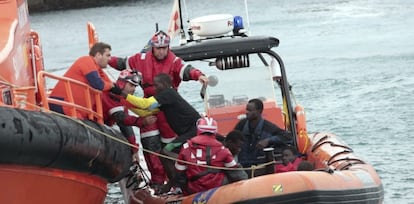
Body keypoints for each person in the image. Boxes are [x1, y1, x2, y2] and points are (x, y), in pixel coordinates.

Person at [108, 30, 208, 144]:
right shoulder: (140, 59)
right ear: (152, 47)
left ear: (168, 47)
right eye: (158, 48)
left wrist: (199, 75)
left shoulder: (174, 61)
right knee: (149, 139)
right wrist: (106, 59)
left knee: (169, 140)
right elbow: (121, 63)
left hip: (168, 107)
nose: (161, 51)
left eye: (164, 48)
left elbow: (187, 70)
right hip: (149, 105)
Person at [125, 73, 202, 193]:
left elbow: (145, 104)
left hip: (193, 131)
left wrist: (123, 95)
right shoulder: (165, 100)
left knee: (167, 152)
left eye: (157, 85)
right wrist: (125, 103)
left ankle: (186, 177)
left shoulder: (168, 94)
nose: (154, 88)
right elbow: (145, 111)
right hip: (186, 133)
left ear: (165, 84)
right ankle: (176, 185)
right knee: (163, 154)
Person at [174, 117, 247, 195]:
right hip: (218, 189)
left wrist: (186, 192)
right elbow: (237, 174)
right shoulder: (222, 149)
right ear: (215, 131)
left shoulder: (186, 147)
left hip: (194, 190)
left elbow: (179, 173)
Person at [49, 42, 121, 119]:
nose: (110, 59)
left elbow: (107, 82)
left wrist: (116, 89)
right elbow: (98, 84)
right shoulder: (86, 60)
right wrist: (111, 86)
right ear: (98, 55)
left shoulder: (97, 69)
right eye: (108, 55)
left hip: (75, 110)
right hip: (64, 105)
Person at [101, 70, 157, 156]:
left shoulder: (121, 98)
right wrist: (142, 122)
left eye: (135, 86)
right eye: (131, 85)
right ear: (122, 84)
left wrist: (134, 148)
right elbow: (122, 118)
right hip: (98, 126)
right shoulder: (110, 95)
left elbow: (126, 125)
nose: (134, 89)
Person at [234, 98, 291, 177]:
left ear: (259, 111)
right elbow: (232, 138)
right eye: (247, 110)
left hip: (261, 166)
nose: (247, 112)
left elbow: (287, 136)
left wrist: (268, 140)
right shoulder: (241, 125)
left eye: (250, 110)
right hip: (243, 166)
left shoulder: (268, 127)